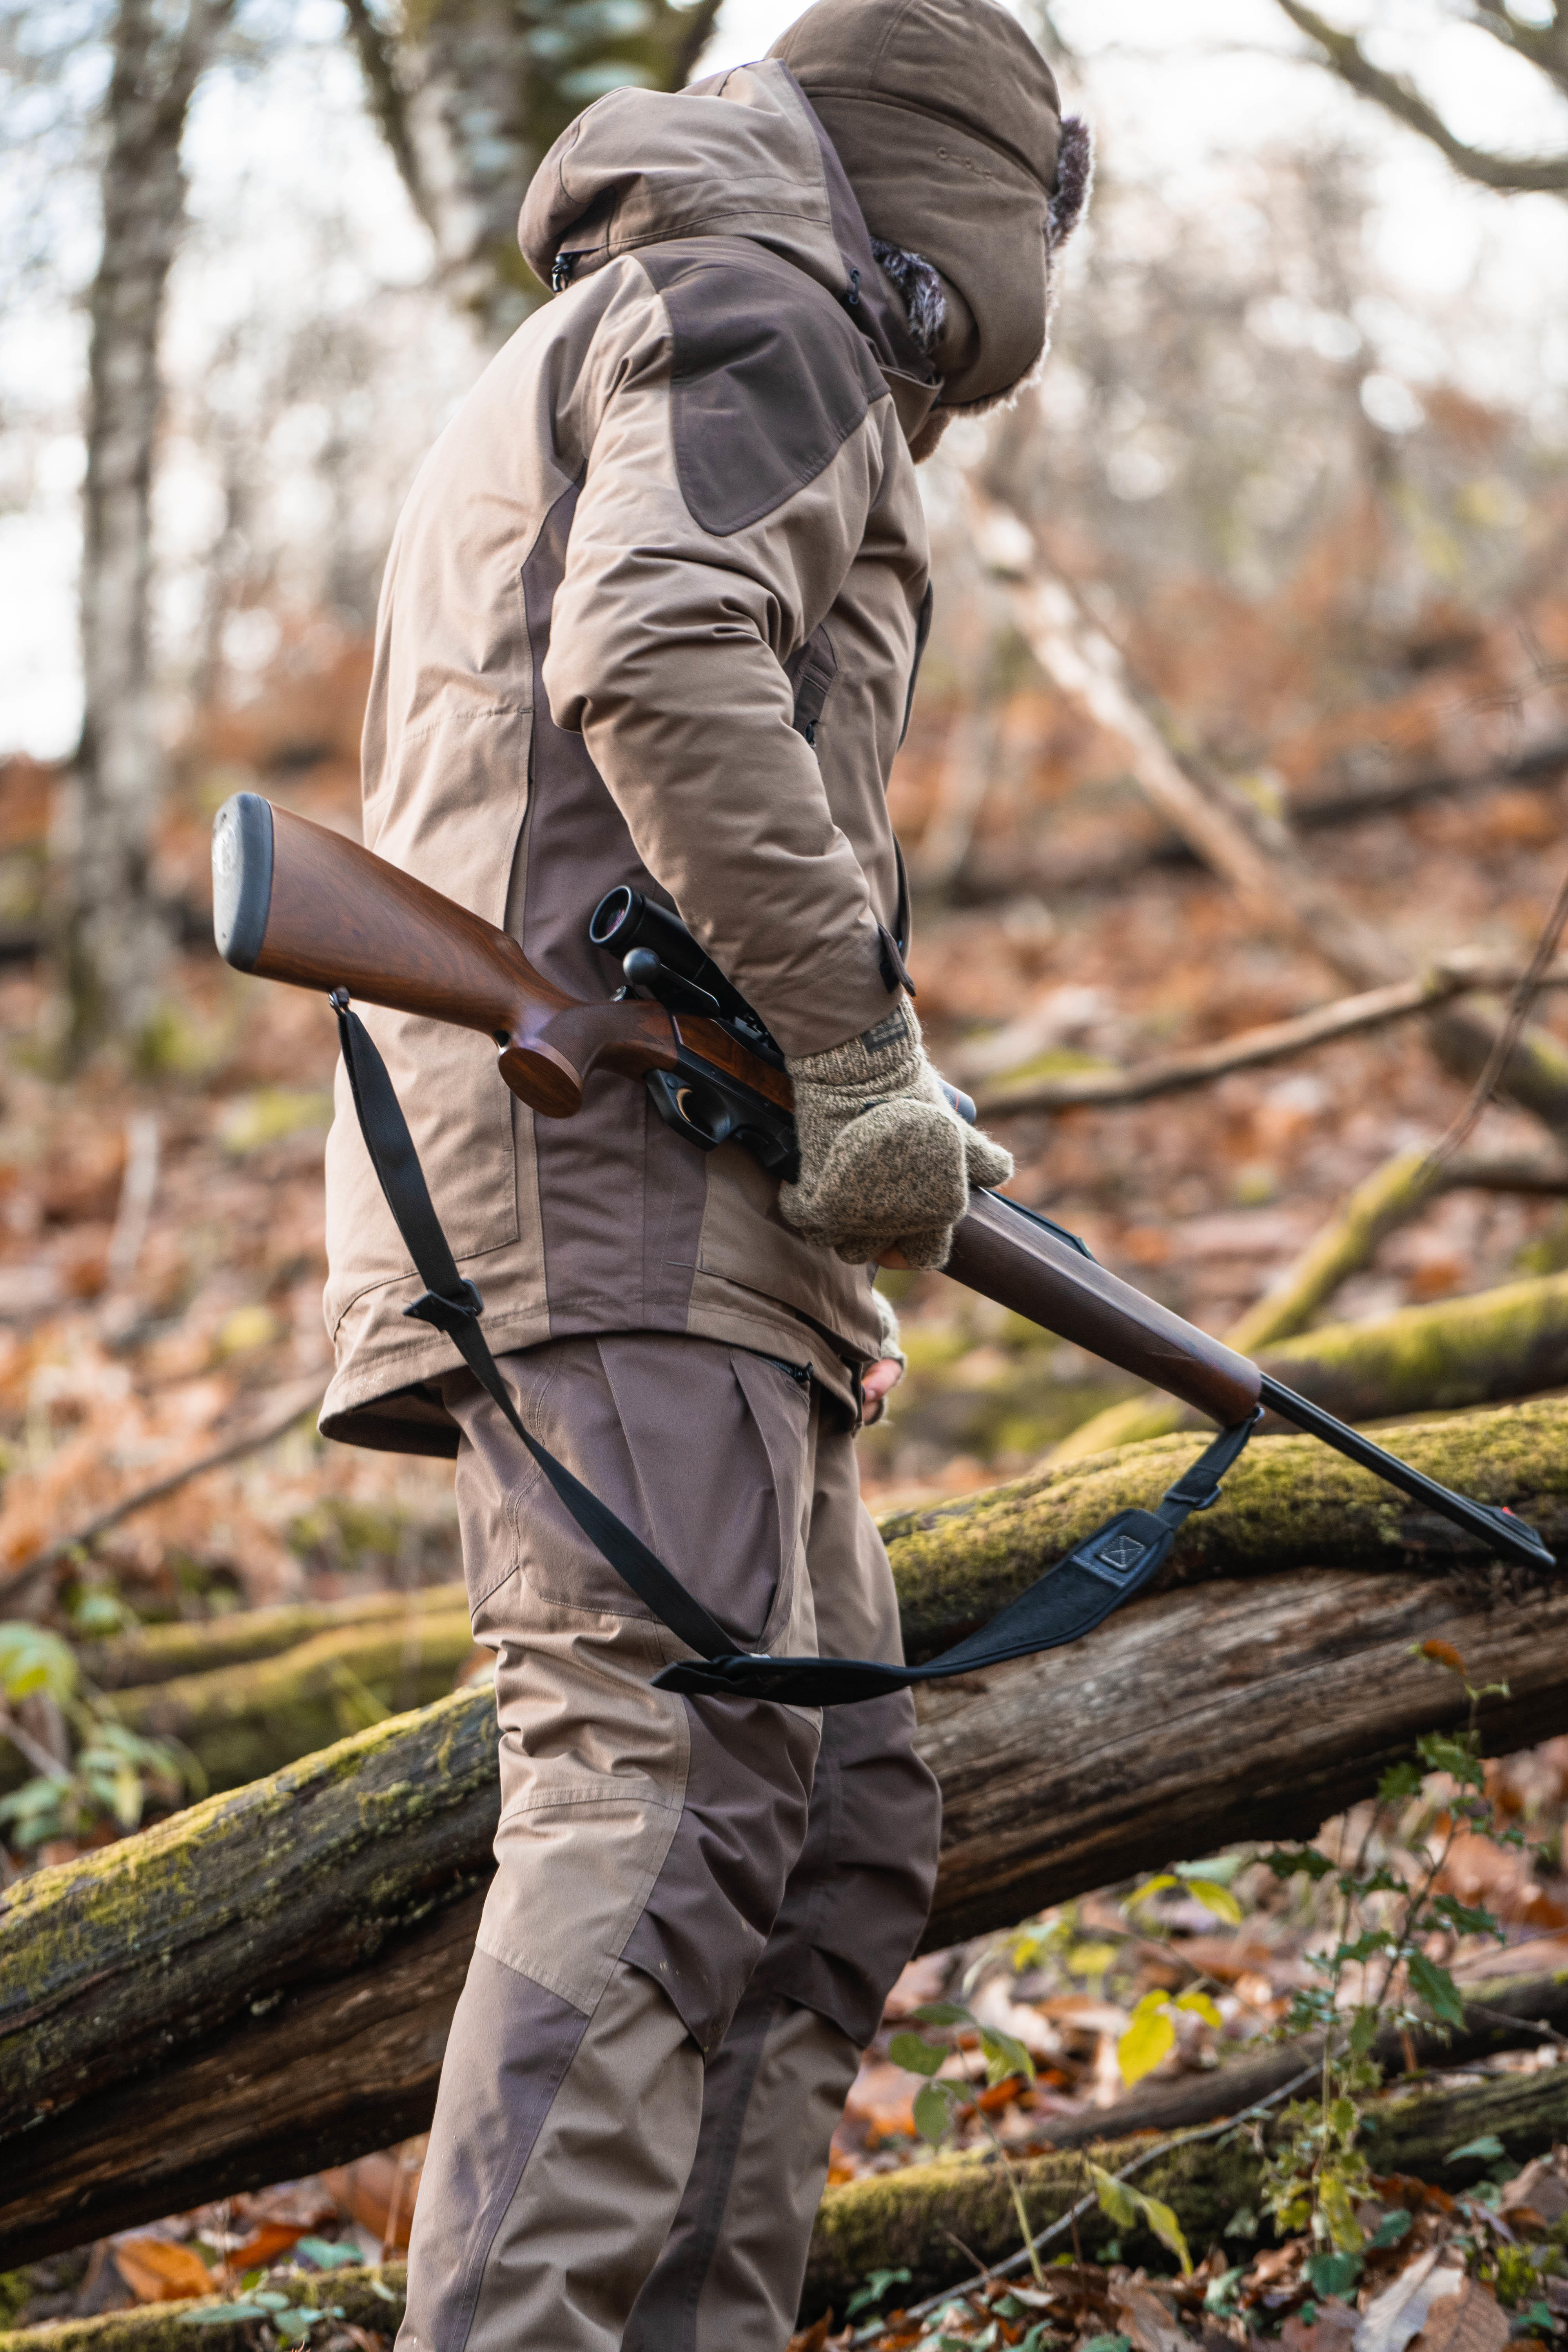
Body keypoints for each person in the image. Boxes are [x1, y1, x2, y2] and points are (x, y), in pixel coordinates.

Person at [317, 1, 1087, 2342]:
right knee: (658, 1813)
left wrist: (860, 1090)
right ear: (959, 206)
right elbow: (659, 659)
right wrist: (858, 1058)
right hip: (614, 1184)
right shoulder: (766, 299)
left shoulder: (703, 289)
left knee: (829, 1834)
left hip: (690, 1197)